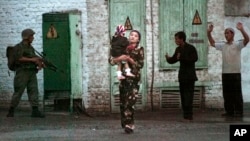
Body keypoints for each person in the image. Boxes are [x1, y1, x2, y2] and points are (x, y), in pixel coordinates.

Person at [207, 22, 249, 118]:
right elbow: (212, 43)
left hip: (235, 72)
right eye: (225, 33)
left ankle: (238, 111)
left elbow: (247, 40)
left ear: (232, 34)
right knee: (227, 93)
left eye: (228, 33)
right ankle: (229, 111)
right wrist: (208, 33)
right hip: (225, 73)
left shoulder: (238, 44)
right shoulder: (223, 45)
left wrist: (241, 29)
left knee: (236, 93)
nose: (226, 35)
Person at [109, 30, 144, 133]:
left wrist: (129, 60)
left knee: (130, 102)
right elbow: (111, 60)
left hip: (134, 79)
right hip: (123, 79)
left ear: (138, 39)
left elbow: (140, 65)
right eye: (131, 35)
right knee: (123, 102)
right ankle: (125, 124)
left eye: (135, 35)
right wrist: (119, 59)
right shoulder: (123, 47)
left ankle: (130, 124)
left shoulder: (139, 50)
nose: (132, 37)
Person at [6, 28, 45, 118]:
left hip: (31, 72)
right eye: (31, 36)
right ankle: (11, 110)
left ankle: (35, 111)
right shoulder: (18, 47)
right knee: (18, 91)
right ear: (26, 37)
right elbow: (19, 58)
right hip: (22, 72)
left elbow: (34, 57)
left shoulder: (30, 48)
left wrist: (40, 63)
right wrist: (33, 59)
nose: (33, 38)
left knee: (34, 91)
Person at [165, 31, 198, 121]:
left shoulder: (191, 48)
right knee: (183, 95)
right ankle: (185, 114)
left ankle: (189, 114)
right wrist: (168, 59)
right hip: (182, 75)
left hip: (190, 76)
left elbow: (194, 59)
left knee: (189, 95)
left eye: (177, 39)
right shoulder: (178, 49)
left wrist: (182, 57)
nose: (175, 40)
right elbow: (174, 59)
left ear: (182, 39)